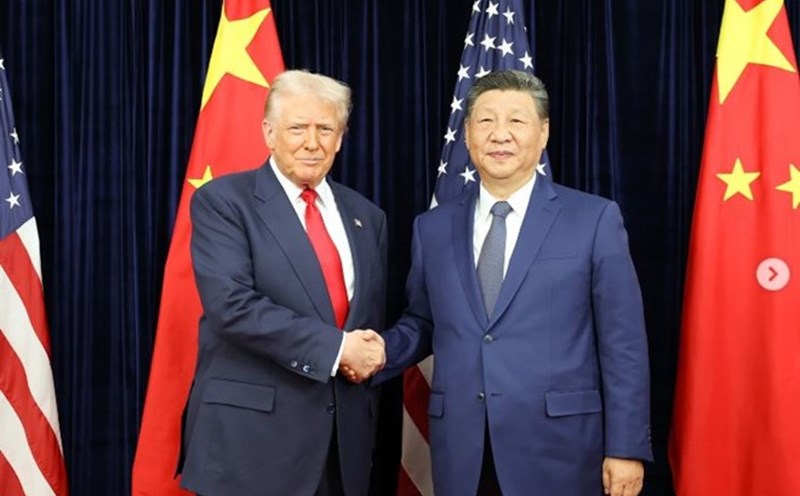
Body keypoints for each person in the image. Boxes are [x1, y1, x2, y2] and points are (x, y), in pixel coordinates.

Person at [374, 70, 652, 496]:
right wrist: (373, 354)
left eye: (516, 121)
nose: (499, 134)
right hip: (463, 451)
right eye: (485, 121)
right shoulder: (432, 228)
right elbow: (425, 322)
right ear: (467, 135)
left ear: (543, 133)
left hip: (561, 450)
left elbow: (623, 343)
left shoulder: (593, 219)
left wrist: (626, 447)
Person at [179, 70, 387, 496]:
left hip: (340, 452)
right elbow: (232, 306)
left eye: (325, 129)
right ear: (269, 133)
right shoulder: (223, 202)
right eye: (297, 128)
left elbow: (365, 318)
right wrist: (338, 349)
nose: (312, 142)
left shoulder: (368, 217)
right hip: (251, 448)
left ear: (341, 137)